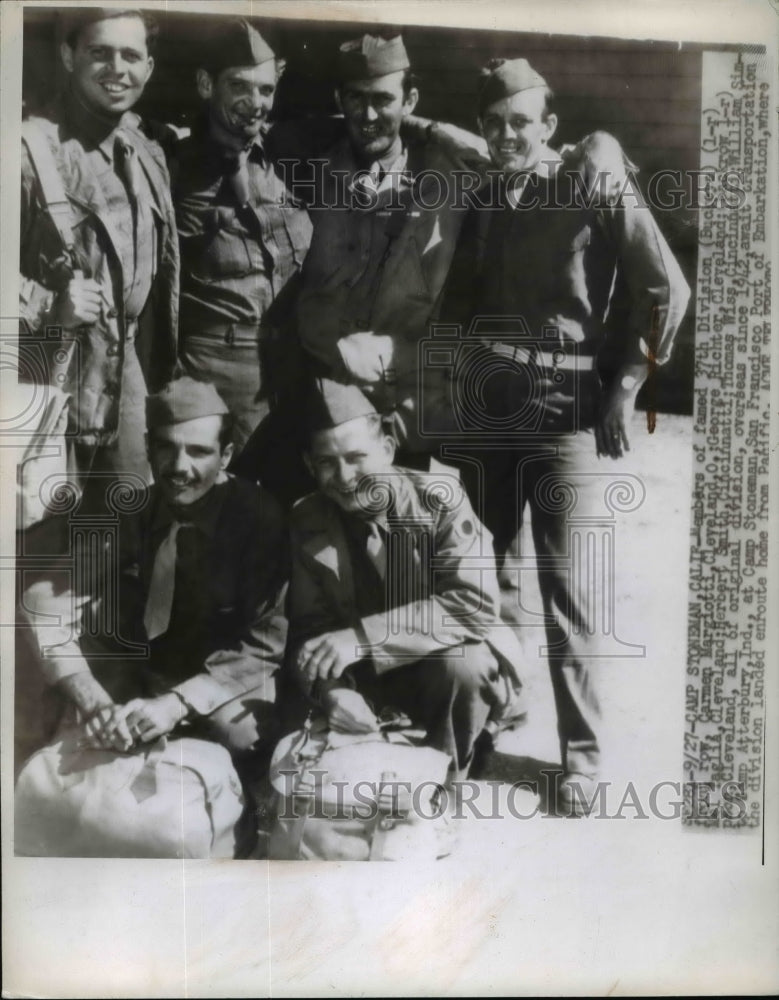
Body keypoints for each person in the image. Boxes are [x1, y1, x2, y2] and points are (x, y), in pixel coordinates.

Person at [440, 58, 691, 812]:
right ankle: (495, 717)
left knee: (568, 588)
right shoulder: (485, 191)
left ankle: (581, 759)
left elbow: (663, 287)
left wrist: (624, 388)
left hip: (563, 409)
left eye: (521, 121)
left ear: (548, 127)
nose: (506, 133)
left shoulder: (589, 182)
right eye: (495, 122)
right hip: (490, 407)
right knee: (488, 571)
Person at [292, 34, 632, 473]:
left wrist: (602, 145)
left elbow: (522, 155)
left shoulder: (457, 175)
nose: (368, 113)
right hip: (326, 403)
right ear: (339, 100)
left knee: (408, 533)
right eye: (354, 99)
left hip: (407, 403)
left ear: (410, 100)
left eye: (383, 99)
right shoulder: (304, 170)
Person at [17, 376, 288, 792]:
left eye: (199, 451)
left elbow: (265, 645)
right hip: (151, 663)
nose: (180, 468)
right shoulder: (135, 510)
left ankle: (238, 820)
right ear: (147, 448)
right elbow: (44, 601)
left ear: (227, 455)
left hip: (227, 674)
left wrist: (176, 704)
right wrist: (93, 701)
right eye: (166, 447)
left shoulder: (260, 520)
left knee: (240, 734)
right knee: (39, 680)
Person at [286, 378, 525, 782]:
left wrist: (362, 637)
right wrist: (331, 693)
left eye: (356, 456)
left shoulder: (440, 498)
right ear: (309, 465)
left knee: (465, 665)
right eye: (326, 462)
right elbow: (310, 628)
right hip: (363, 673)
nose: (344, 477)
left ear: (387, 449)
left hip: (437, 663)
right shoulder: (307, 519)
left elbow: (474, 605)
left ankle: (445, 784)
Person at [19, 7, 179, 498]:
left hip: (127, 385)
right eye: (99, 53)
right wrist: (48, 306)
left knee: (118, 544)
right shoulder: (25, 152)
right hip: (49, 380)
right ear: (68, 56)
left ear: (148, 68)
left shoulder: (146, 148)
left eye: (131, 55)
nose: (117, 69)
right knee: (42, 543)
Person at [171, 18, 314, 453]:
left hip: (293, 370)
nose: (255, 103)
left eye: (266, 90)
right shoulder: (168, 168)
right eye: (239, 86)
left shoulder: (289, 154)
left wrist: (431, 129)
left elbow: (375, 118)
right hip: (216, 372)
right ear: (205, 84)